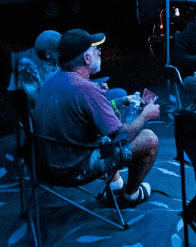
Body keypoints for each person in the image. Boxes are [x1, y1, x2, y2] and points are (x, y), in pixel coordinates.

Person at [34, 29, 160, 207]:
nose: (100, 52)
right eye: (95, 49)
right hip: (73, 169)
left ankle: (116, 184)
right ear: (86, 59)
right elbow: (121, 136)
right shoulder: (86, 89)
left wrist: (120, 101)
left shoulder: (52, 79)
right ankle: (130, 195)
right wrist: (146, 114)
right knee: (149, 138)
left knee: (100, 128)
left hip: (45, 164)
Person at [13, 30, 61, 104]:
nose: (63, 53)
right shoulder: (28, 65)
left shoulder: (57, 62)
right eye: (59, 51)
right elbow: (35, 98)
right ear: (48, 54)